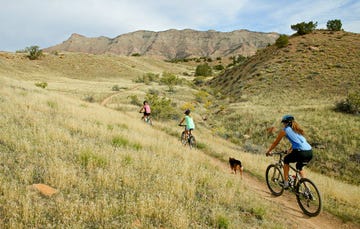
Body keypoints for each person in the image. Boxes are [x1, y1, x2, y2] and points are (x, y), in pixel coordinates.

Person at [266, 115, 313, 189]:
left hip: (300, 152)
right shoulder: (297, 130)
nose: (283, 125)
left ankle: (286, 183)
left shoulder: (284, 130)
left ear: (286, 123)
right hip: (309, 152)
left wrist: (269, 151)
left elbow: (276, 143)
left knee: (286, 160)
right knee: (299, 168)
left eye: (284, 123)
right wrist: (290, 150)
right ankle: (307, 189)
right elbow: (298, 142)